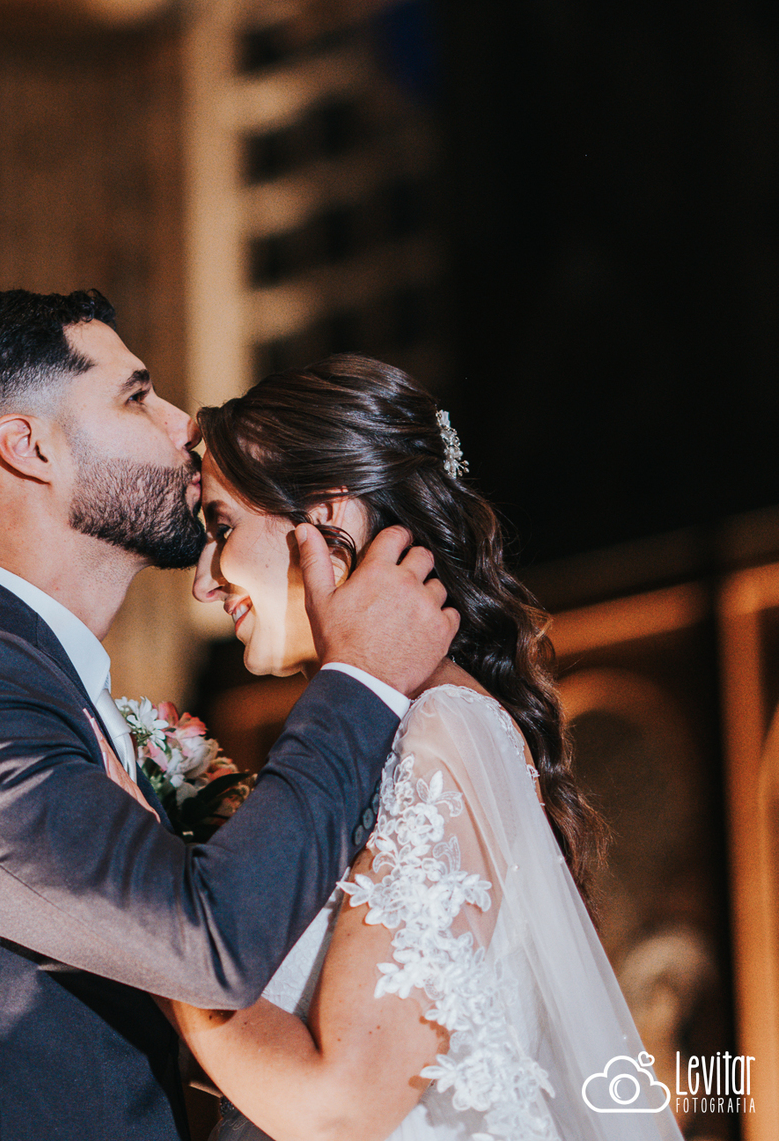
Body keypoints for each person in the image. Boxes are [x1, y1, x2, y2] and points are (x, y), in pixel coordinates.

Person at [0, 291, 458, 1141]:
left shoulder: (31, 677)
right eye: (137, 396)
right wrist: (359, 680)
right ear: (27, 447)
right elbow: (207, 942)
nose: (187, 426)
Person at [167, 354, 683, 1141]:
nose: (204, 581)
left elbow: (341, 1105)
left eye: (222, 528)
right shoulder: (380, 736)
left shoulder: (443, 730)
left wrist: (166, 935)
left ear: (327, 516)